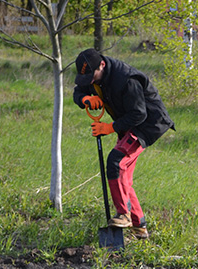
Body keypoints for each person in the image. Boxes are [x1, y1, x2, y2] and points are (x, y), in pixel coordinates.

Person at [73, 48, 175, 240]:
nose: (90, 82)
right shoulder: (93, 77)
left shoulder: (126, 79)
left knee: (116, 162)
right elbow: (77, 92)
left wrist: (109, 128)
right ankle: (140, 228)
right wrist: (85, 99)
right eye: (86, 78)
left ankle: (124, 215)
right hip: (128, 124)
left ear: (102, 65)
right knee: (124, 178)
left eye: (91, 77)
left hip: (148, 124)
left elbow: (139, 114)